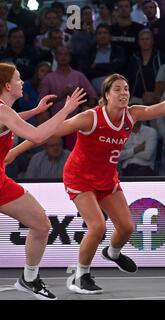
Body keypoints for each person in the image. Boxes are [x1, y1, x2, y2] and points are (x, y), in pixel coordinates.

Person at [7, 72, 165, 294]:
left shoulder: (132, 115)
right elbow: (48, 133)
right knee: (97, 226)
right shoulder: (90, 118)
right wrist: (15, 152)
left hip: (106, 178)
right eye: (117, 89)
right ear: (106, 95)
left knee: (126, 228)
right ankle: (81, 275)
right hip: (80, 177)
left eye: (125, 88)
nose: (123, 93)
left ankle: (112, 253)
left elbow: (163, 107)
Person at [0, 62, 86, 300]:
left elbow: (12, 120)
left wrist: (37, 111)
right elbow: (38, 136)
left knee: (40, 224)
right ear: (7, 86)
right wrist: (66, 109)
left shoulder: (6, 112)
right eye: (18, 79)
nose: (22, 82)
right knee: (41, 225)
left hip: (1, 181)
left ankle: (29, 279)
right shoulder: (3, 112)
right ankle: (29, 279)